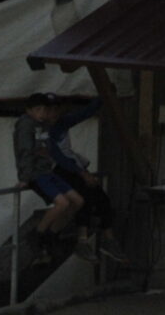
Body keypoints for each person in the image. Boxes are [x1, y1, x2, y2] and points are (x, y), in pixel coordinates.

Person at [14, 91, 110, 244]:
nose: (47, 114)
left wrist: (101, 99)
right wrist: (25, 177)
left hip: (49, 170)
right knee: (64, 202)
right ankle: (39, 235)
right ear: (30, 110)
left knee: (80, 200)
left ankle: (52, 234)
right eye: (43, 110)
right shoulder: (28, 125)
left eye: (49, 110)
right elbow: (27, 151)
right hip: (41, 172)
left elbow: (82, 114)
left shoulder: (48, 124)